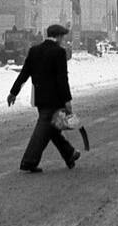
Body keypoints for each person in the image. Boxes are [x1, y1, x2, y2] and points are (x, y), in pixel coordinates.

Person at [6, 23, 80, 173]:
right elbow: (62, 79)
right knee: (44, 128)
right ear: (58, 37)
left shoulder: (34, 51)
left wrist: (13, 93)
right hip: (55, 100)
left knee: (51, 128)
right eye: (63, 37)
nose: (63, 40)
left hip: (40, 98)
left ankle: (69, 154)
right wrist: (67, 100)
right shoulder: (59, 52)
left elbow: (24, 74)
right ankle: (29, 161)